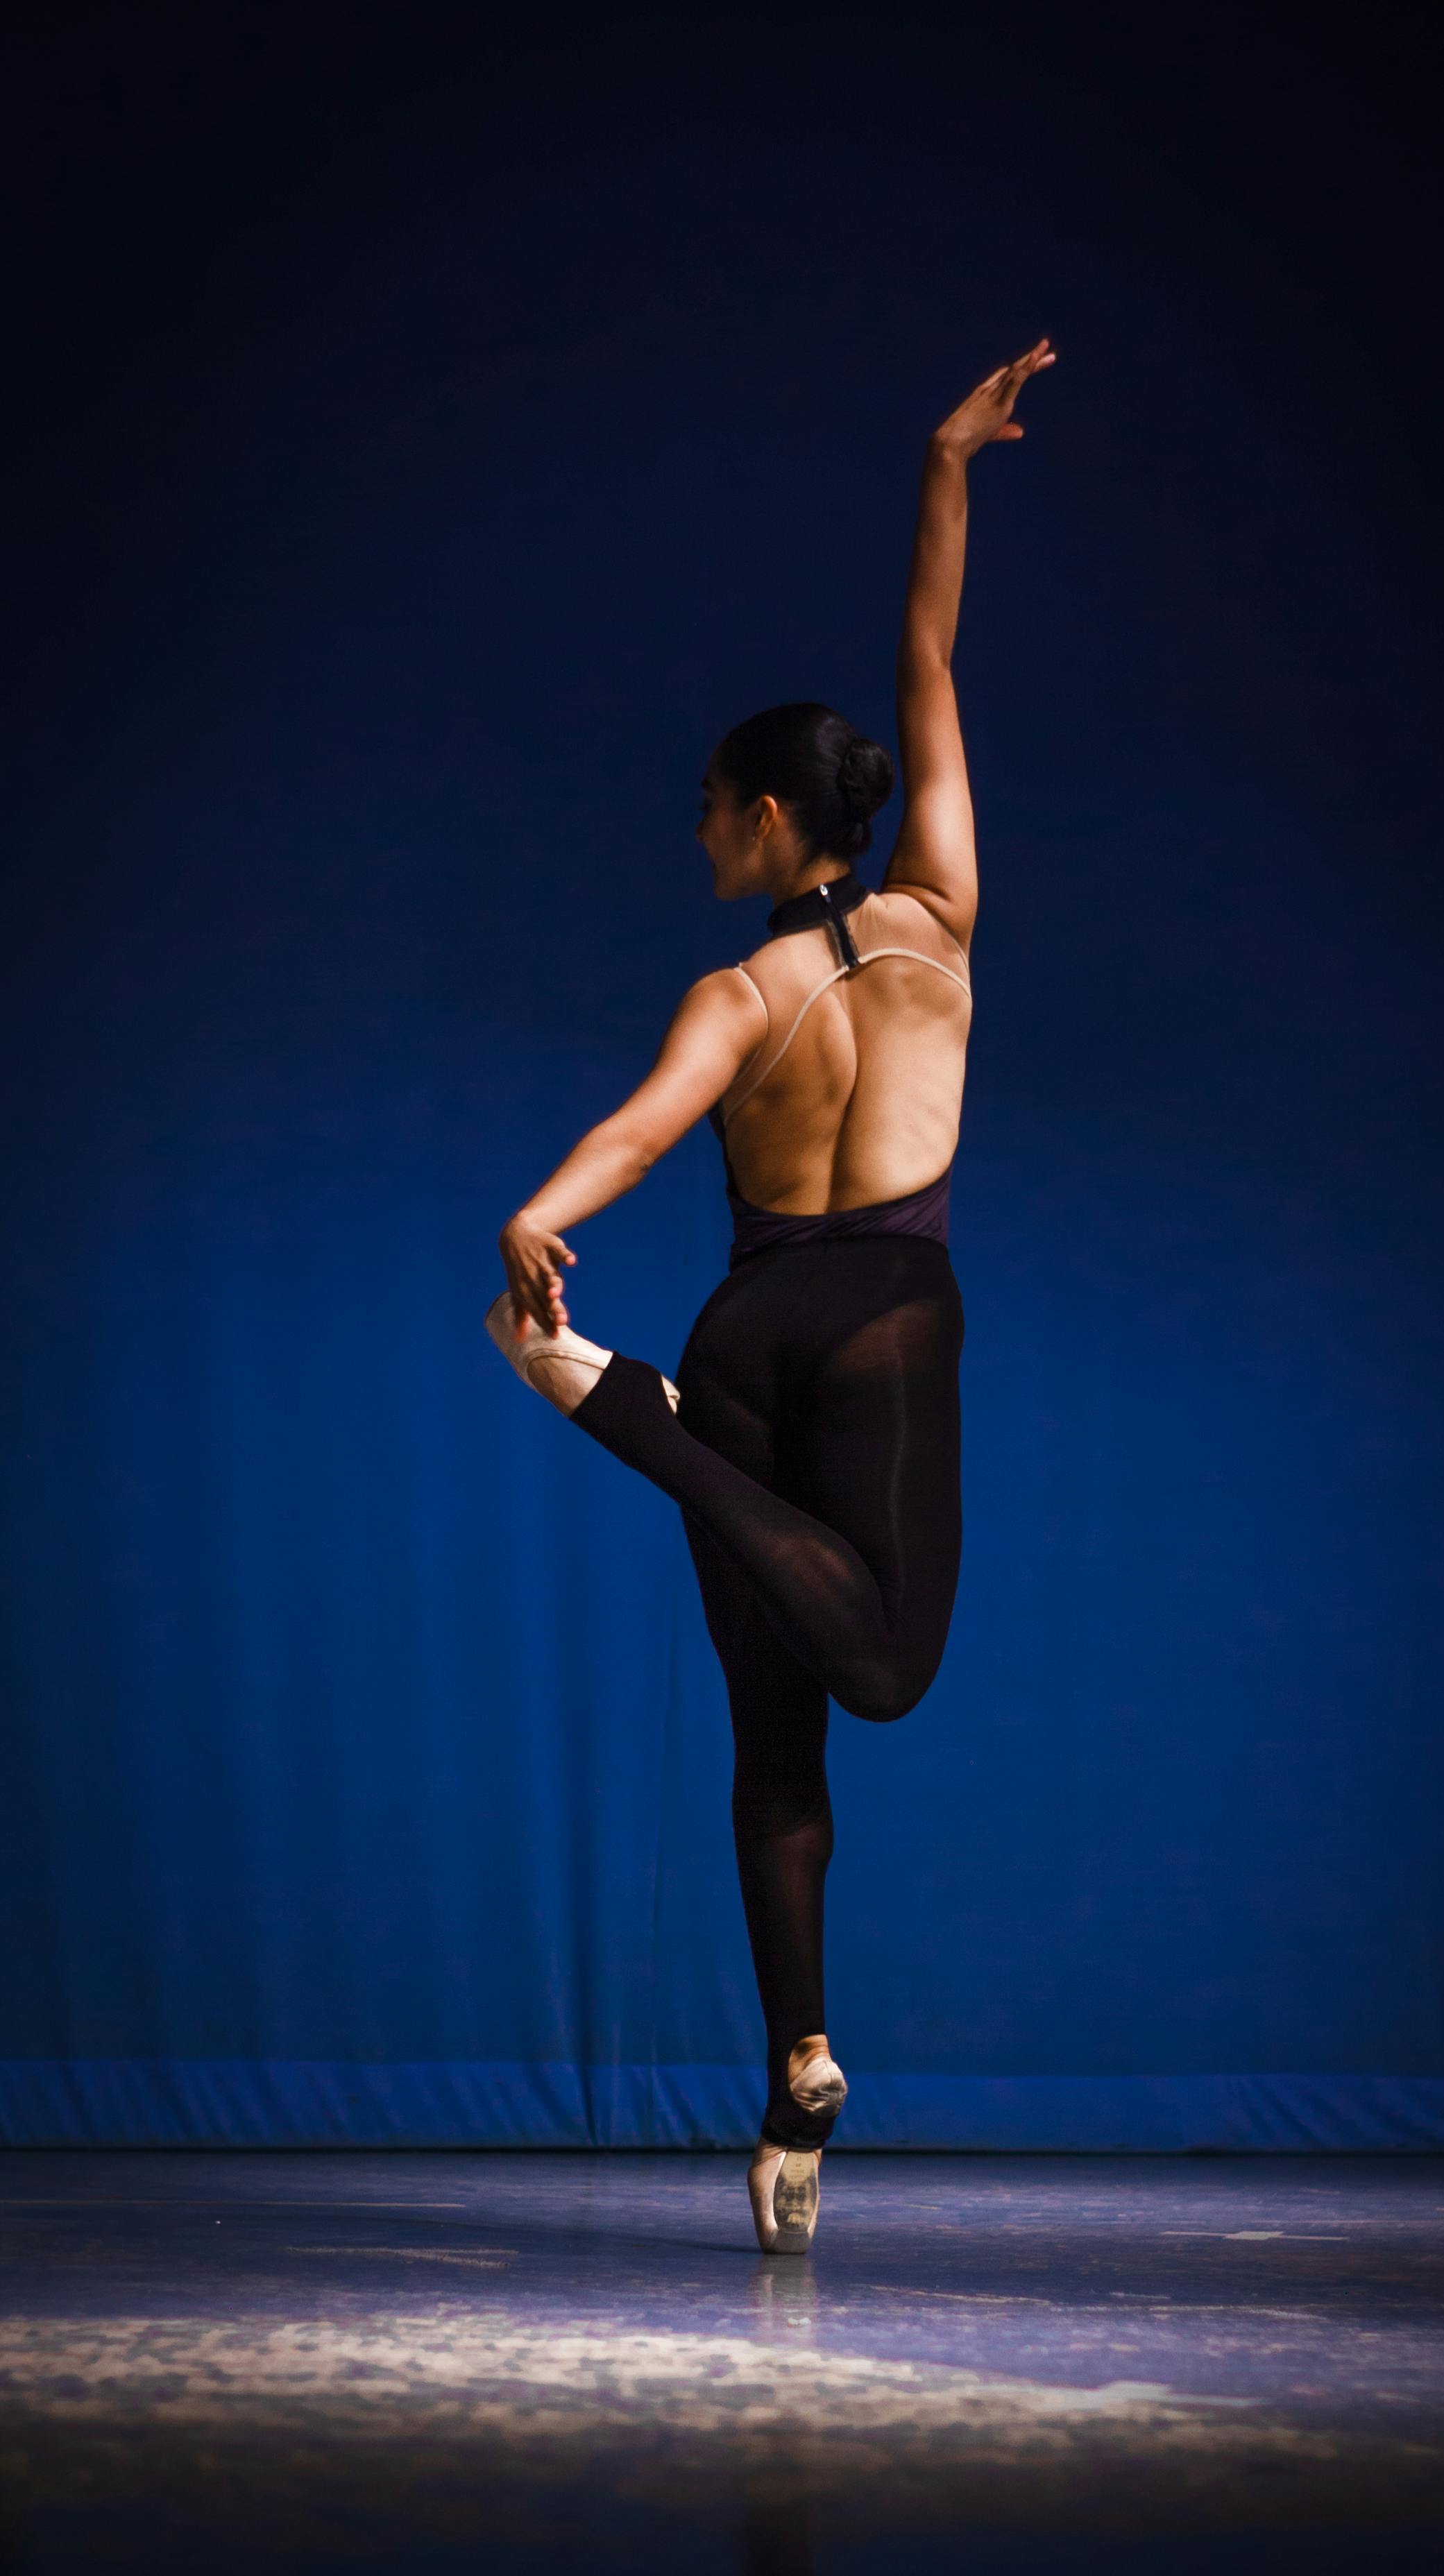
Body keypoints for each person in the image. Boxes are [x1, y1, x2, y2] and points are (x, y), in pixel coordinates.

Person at [488, 340, 1055, 2252]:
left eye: (712, 808)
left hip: (738, 1346)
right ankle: (794, 2065)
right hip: (887, 1319)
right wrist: (946, 467)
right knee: (872, 1674)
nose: (700, 831)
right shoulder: (940, 921)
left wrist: (540, 1213)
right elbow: (932, 665)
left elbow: (645, 1135)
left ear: (760, 818)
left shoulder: (734, 999)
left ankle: (796, 2080)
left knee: (795, 1727)